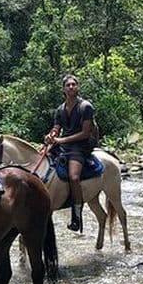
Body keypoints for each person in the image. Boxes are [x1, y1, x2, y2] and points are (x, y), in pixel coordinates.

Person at [44, 74, 94, 233]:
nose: (71, 87)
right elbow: (56, 128)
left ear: (78, 87)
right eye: (68, 85)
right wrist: (51, 136)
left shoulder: (85, 107)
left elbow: (85, 133)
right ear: (63, 89)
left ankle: (77, 215)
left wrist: (62, 140)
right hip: (64, 146)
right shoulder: (60, 109)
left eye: (74, 84)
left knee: (73, 177)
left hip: (80, 147)